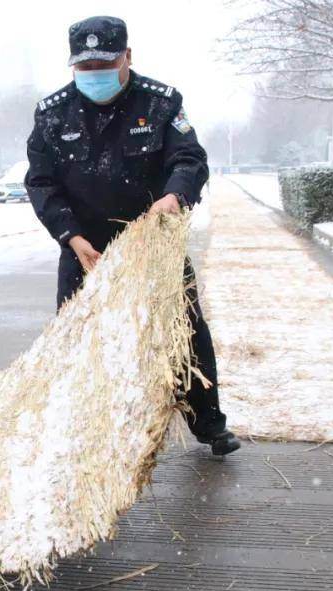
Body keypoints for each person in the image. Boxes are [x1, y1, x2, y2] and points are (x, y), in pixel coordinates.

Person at [25, 15, 240, 456]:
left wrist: (174, 198)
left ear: (128, 56)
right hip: (86, 247)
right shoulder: (52, 114)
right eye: (84, 68)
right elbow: (42, 182)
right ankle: (79, 427)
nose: (94, 75)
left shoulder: (160, 104)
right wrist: (70, 235)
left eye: (104, 63)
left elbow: (189, 159)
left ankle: (209, 424)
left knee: (185, 332)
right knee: (77, 339)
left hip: (152, 244)